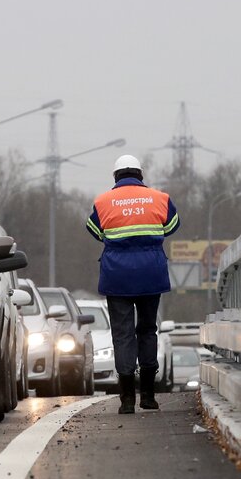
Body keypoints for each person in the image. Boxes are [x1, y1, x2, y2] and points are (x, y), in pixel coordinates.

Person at [86, 155, 179, 414]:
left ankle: (127, 400)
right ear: (140, 174)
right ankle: (148, 396)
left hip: (117, 276)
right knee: (148, 330)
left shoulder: (103, 201)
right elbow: (171, 226)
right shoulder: (160, 198)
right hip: (151, 273)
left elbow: (95, 230)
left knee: (123, 334)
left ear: (115, 176)